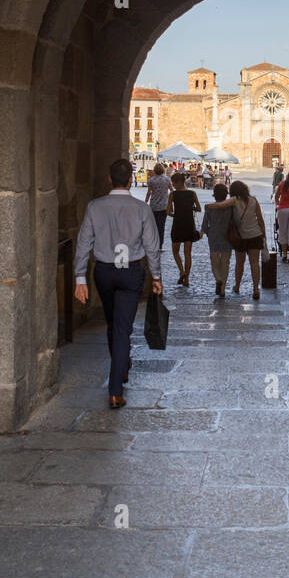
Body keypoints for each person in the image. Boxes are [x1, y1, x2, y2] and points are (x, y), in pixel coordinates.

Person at [74, 157, 162, 410]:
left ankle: (120, 366)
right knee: (122, 327)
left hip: (104, 272)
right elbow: (151, 247)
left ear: (110, 179)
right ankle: (116, 389)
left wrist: (80, 278)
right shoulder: (141, 210)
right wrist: (156, 277)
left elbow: (83, 244)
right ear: (131, 179)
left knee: (113, 322)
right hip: (130, 271)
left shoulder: (94, 207)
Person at [216, 180, 265, 299]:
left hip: (240, 237)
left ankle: (237, 286)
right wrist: (263, 234)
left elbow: (220, 205)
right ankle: (255, 289)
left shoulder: (234, 201)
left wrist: (208, 206)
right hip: (255, 235)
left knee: (239, 263)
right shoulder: (253, 200)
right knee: (254, 263)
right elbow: (260, 218)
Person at [167, 171, 202, 286]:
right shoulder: (192, 193)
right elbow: (199, 209)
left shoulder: (172, 195)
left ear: (177, 183)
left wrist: (176, 215)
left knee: (175, 251)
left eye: (173, 183)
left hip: (177, 225)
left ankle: (182, 271)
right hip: (189, 225)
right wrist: (190, 208)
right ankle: (187, 279)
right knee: (188, 253)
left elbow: (168, 212)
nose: (172, 185)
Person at [201, 183, 234, 297]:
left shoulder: (210, 207)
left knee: (214, 260)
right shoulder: (230, 207)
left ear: (214, 195)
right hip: (227, 236)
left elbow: (205, 225)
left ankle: (218, 279)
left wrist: (204, 232)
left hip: (214, 235)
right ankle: (223, 289)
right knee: (225, 262)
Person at [144, 161, 173, 247]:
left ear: (155, 170)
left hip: (154, 205)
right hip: (164, 205)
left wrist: (145, 202)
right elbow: (171, 190)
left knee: (154, 225)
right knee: (162, 225)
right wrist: (171, 202)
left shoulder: (151, 180)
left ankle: (154, 243)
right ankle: (160, 244)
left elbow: (149, 192)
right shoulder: (167, 179)